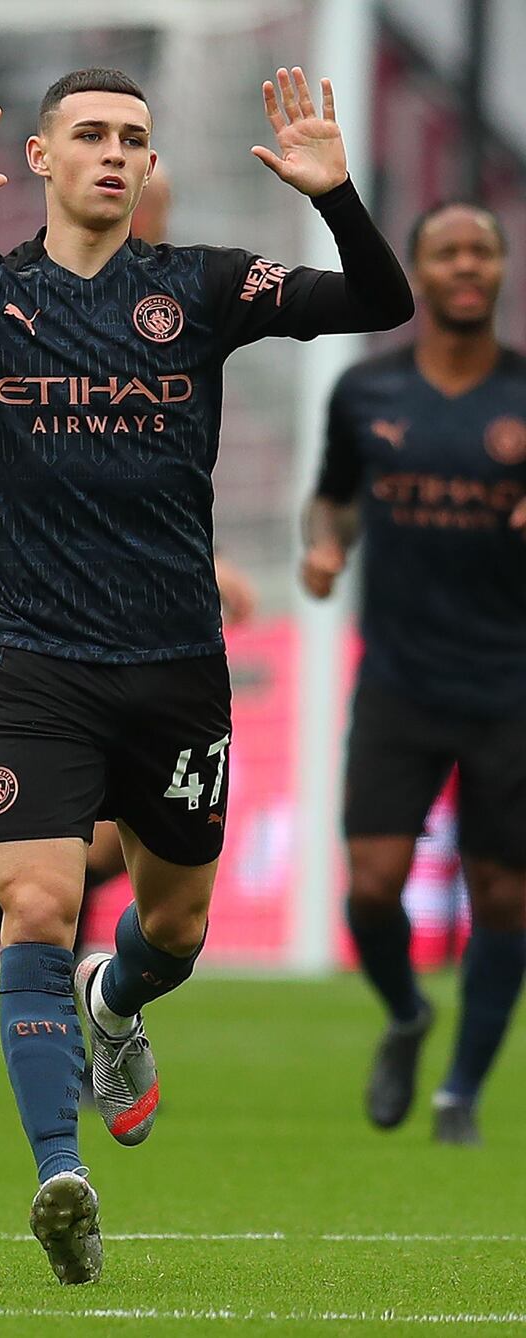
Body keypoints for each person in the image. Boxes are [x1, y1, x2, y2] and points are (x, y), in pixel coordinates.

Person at [0, 65, 412, 1285]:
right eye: (92, 136)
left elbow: (373, 300)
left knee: (172, 929)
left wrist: (336, 197)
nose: (117, 155)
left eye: (135, 138)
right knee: (32, 905)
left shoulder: (205, 287)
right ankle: (57, 1171)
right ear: (40, 157)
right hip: (40, 671)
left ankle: (114, 1005)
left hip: (177, 673)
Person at [0, 165, 257, 1098]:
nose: (141, 206)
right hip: (42, 623)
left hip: (127, 626)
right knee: (68, 854)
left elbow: (132, 496)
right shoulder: (27, 318)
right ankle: (69, 1027)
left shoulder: (155, 310)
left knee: (98, 847)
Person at [302, 200, 526, 1147]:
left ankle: (460, 1093)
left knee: (507, 896)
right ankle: (406, 1014)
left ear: (503, 269)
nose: (467, 265)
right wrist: (323, 551)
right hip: (398, 681)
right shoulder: (366, 393)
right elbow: (334, 500)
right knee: (370, 886)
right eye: (447, 252)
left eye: (483, 249)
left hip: (511, 689)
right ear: (422, 274)